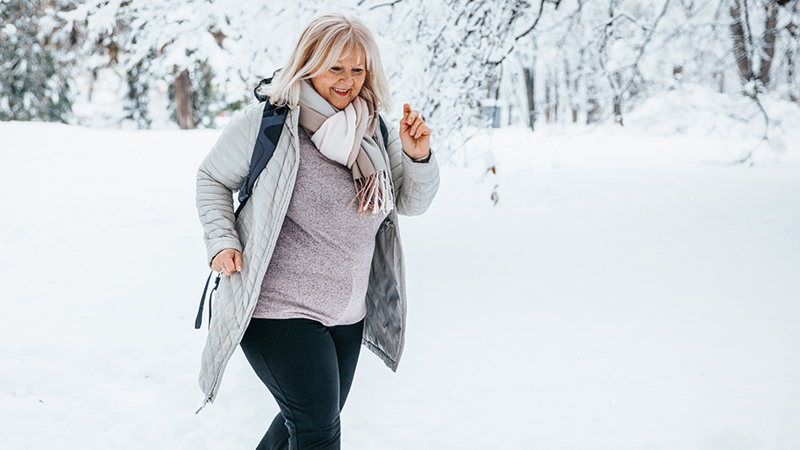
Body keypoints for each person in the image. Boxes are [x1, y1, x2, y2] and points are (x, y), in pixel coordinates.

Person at [194, 13, 440, 449]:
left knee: (306, 422)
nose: (347, 81)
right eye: (335, 68)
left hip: (346, 313)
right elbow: (211, 178)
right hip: (278, 310)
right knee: (317, 431)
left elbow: (409, 202)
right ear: (309, 63)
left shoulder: (373, 130)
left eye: (357, 69)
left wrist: (418, 158)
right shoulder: (269, 123)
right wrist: (222, 241)